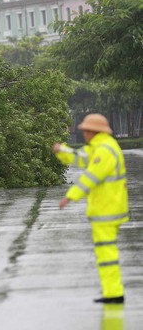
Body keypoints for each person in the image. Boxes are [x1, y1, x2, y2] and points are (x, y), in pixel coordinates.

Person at [53, 113, 128, 304]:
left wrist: (70, 196)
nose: (83, 134)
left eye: (86, 131)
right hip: (105, 210)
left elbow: (91, 177)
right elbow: (80, 157)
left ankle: (114, 293)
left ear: (94, 132)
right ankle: (112, 292)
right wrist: (62, 150)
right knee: (105, 255)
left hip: (107, 211)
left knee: (107, 255)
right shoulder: (100, 147)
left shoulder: (105, 151)